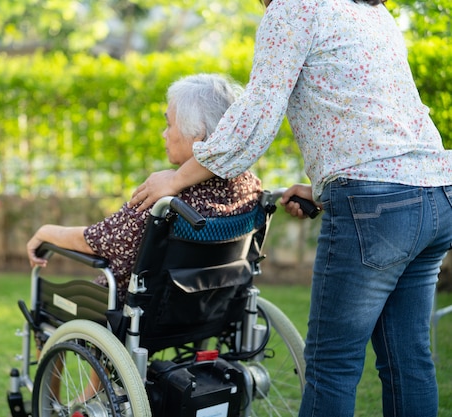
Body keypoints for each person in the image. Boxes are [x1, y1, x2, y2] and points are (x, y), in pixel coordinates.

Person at [128, 1, 452, 416]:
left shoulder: (294, 7)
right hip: (436, 192)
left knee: (332, 366)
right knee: (408, 362)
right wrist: (323, 188)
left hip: (376, 207)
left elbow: (256, 115)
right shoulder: (368, 11)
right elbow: (377, 121)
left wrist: (174, 179)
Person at [27, 73, 263, 304]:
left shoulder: (166, 201)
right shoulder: (249, 187)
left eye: (169, 124)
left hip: (136, 313)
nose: (164, 134)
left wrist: (46, 232)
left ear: (198, 134)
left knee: (50, 305)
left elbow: (98, 241)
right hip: (210, 308)